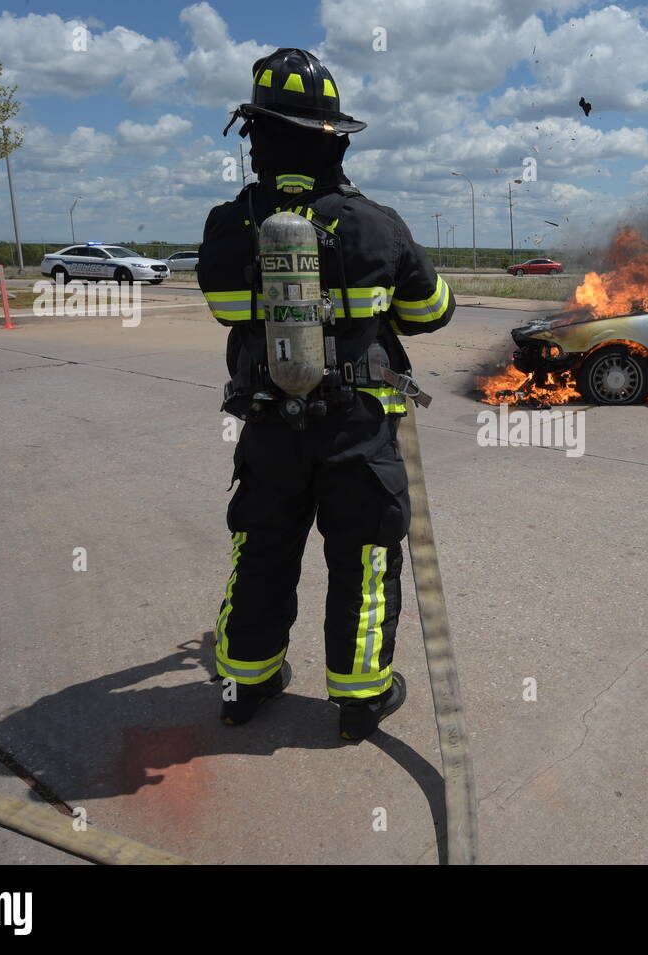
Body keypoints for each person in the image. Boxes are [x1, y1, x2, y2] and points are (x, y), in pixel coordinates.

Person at [197, 48, 454, 741]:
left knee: (262, 548)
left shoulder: (229, 224)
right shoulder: (378, 225)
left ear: (255, 136)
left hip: (268, 422)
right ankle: (360, 698)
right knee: (365, 556)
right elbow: (433, 313)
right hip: (357, 428)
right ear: (332, 138)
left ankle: (244, 683)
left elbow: (226, 306)